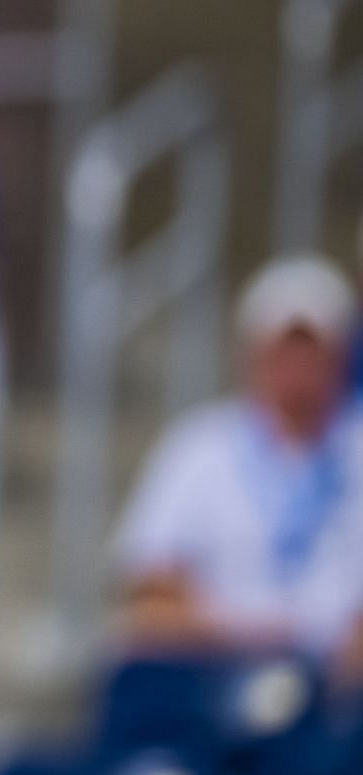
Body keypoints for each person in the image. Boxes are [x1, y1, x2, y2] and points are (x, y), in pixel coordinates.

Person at [115, 254, 363, 658]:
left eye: (311, 352)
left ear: (339, 358)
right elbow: (150, 582)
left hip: (339, 683)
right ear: (253, 355)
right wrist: (231, 629)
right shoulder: (198, 447)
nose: (298, 369)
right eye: (284, 352)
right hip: (216, 669)